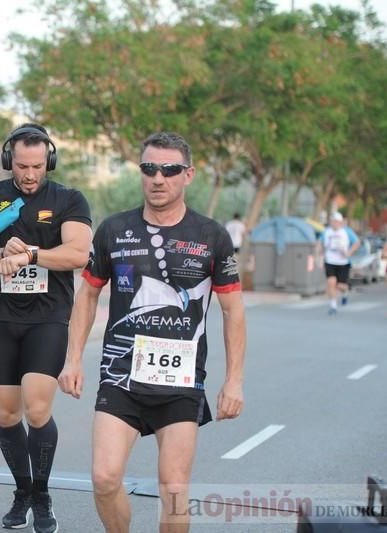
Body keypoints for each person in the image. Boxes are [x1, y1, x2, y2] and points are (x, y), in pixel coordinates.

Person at [59, 132, 246, 533]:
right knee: (104, 478)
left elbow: (233, 311)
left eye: (169, 169)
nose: (158, 178)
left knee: (174, 488)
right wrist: (73, 358)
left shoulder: (212, 236)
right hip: (121, 374)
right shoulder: (113, 230)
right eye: (149, 169)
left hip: (180, 381)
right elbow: (88, 294)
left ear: (188, 175)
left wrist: (233, 381)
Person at [0, 123, 92, 533]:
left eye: (37, 166)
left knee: (37, 409)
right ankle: (23, 491)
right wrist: (1, 251)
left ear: (48, 160)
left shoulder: (68, 199)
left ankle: (42, 494)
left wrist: (32, 254)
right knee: (6, 413)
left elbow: (78, 253)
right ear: (9, 161)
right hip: (1, 318)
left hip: (48, 317)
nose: (30, 174)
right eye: (22, 166)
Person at [318, 212, 360, 315]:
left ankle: (345, 292)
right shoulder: (326, 231)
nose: (335, 223)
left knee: (341, 286)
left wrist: (349, 253)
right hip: (330, 261)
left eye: (337, 221)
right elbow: (319, 244)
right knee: (331, 283)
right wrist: (318, 255)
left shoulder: (347, 231)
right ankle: (333, 305)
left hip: (343, 262)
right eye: (333, 221)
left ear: (341, 222)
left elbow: (357, 242)